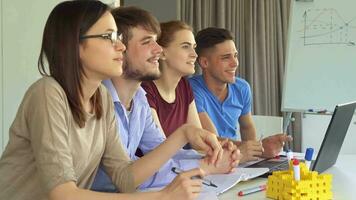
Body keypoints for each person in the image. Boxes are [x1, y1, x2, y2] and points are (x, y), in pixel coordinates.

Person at [0, 2, 224, 200]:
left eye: (118, 37)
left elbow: (125, 178)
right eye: (109, 37)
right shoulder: (48, 93)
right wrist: (162, 196)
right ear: (74, 44)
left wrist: (185, 133)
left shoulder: (101, 98)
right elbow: (63, 194)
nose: (121, 46)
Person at [91, 7, 239, 192]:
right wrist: (204, 165)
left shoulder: (139, 98)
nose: (158, 50)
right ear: (120, 49)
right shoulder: (95, 101)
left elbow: (162, 157)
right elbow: (124, 180)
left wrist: (210, 160)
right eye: (147, 42)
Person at [189, 27, 292, 163]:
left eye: (235, 55)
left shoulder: (242, 87)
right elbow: (210, 140)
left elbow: (246, 126)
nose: (235, 63)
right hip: (206, 162)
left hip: (234, 161)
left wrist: (255, 153)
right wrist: (257, 149)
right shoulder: (190, 89)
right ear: (204, 63)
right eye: (226, 57)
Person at [141, 21, 203, 140]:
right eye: (185, 46)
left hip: (176, 158)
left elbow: (198, 140)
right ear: (162, 53)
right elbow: (159, 147)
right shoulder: (145, 89)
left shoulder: (184, 85)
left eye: (194, 47)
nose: (194, 54)